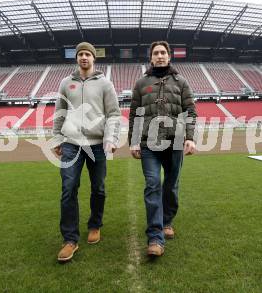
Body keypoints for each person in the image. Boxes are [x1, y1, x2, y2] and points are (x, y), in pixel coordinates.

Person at [52, 42, 120, 262]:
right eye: (80, 54)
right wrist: (57, 138)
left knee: (98, 188)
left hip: (97, 144)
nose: (84, 57)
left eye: (87, 54)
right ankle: (70, 239)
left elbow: (113, 114)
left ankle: (95, 225)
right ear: (76, 58)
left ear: (93, 58)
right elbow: (60, 112)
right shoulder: (66, 83)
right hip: (72, 143)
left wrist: (110, 138)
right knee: (68, 188)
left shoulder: (105, 84)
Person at [128, 41, 197, 257]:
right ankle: (155, 237)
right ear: (151, 58)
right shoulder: (141, 83)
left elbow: (190, 111)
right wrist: (133, 140)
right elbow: (134, 115)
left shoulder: (181, 82)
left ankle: (167, 221)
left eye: (163, 53)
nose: (159, 56)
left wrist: (189, 137)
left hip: (175, 142)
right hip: (149, 143)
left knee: (171, 185)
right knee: (152, 185)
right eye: (156, 53)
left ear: (169, 56)